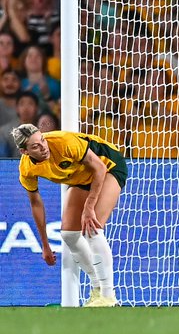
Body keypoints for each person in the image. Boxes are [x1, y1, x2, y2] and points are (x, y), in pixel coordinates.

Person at [15, 124, 127, 307]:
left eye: (42, 140)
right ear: (24, 151)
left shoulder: (64, 142)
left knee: (92, 229)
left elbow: (99, 167)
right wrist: (45, 245)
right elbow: (36, 203)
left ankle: (108, 296)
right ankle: (97, 287)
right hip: (81, 177)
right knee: (69, 235)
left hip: (108, 166)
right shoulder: (27, 170)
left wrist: (89, 206)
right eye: (35, 146)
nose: (43, 147)